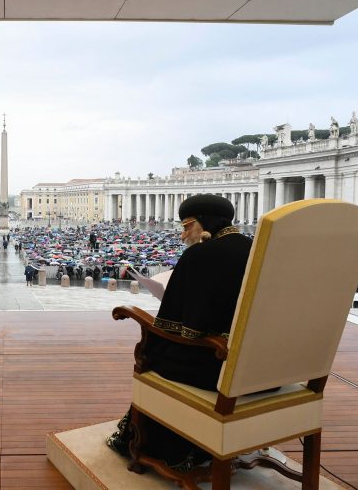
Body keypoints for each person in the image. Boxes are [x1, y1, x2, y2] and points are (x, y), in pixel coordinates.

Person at [107, 194, 252, 472]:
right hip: (258, 368)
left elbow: (184, 325)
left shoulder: (202, 254)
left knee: (153, 356)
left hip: (216, 369)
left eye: (187, 226)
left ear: (205, 223)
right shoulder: (256, 248)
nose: (184, 235)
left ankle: (154, 449)